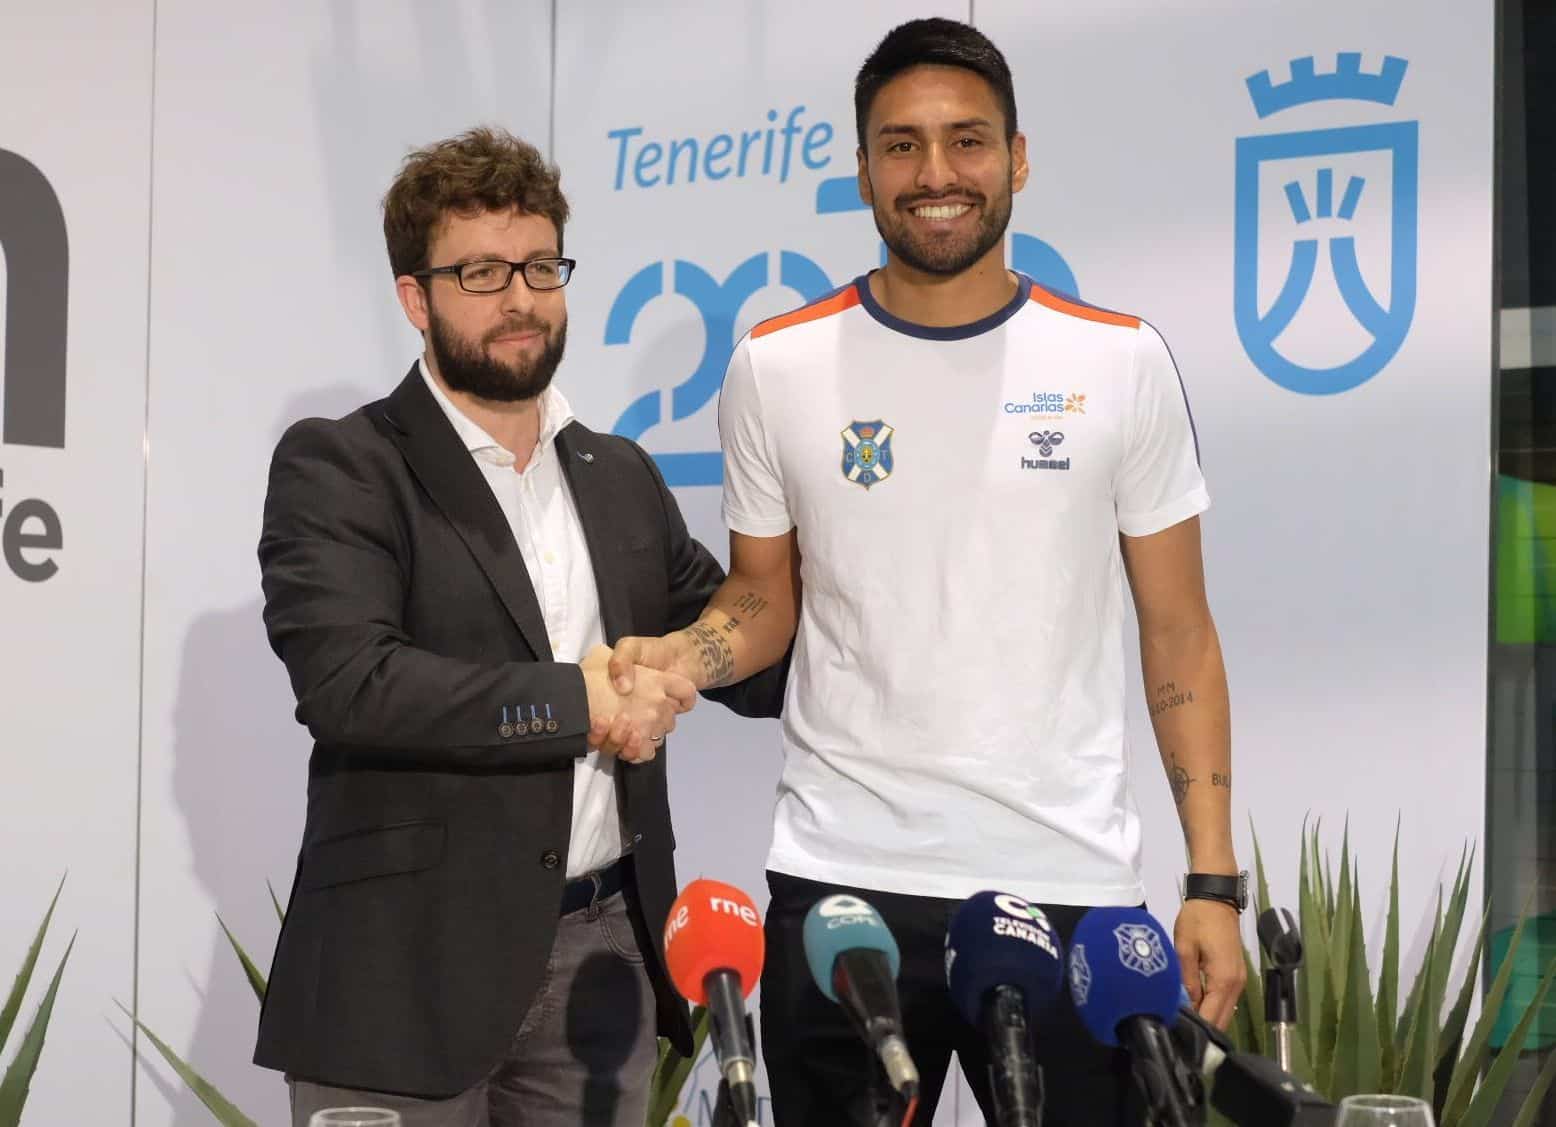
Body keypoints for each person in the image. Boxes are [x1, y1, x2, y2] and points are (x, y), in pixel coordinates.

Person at [608, 18, 1245, 1126]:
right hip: (842, 878)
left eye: (966, 140)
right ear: (860, 168)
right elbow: (765, 594)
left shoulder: (1119, 362)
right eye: (900, 145)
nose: (935, 173)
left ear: (1017, 157)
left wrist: (1210, 879)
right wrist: (682, 655)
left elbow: (1177, 630)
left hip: (1068, 880)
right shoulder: (775, 364)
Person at [254, 126, 779, 1127]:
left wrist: (754, 619)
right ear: (417, 298)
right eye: (481, 271)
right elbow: (351, 682)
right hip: (402, 972)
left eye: (539, 264)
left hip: (603, 963)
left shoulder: (618, 474)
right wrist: (583, 700)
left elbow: (743, 654)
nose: (519, 297)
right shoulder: (344, 464)